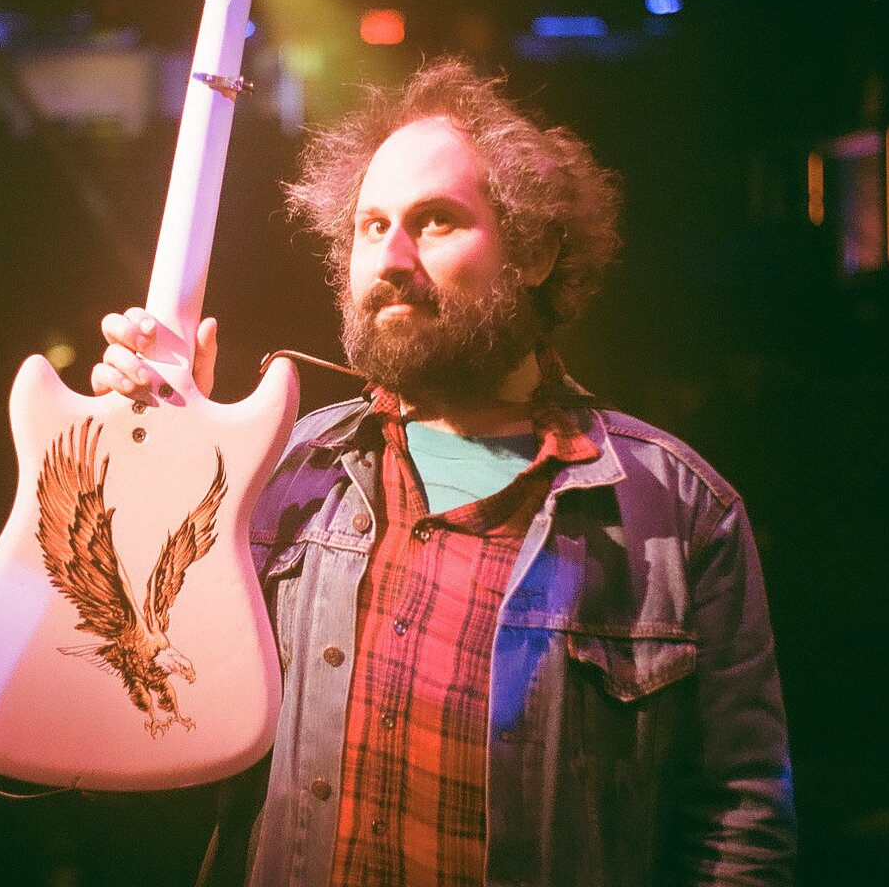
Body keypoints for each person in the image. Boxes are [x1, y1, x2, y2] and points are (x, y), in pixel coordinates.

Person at [92, 57, 795, 887]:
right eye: (370, 226)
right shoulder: (278, 472)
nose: (391, 257)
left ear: (534, 254)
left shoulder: (677, 511)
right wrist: (149, 467)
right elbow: (131, 702)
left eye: (432, 221)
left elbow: (737, 821)